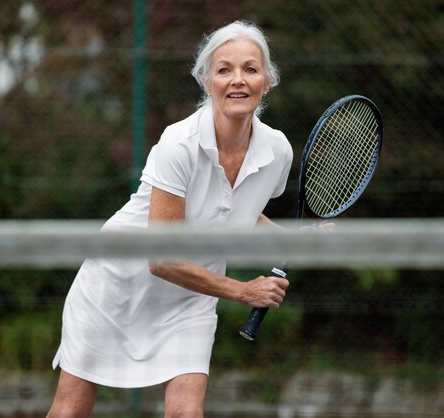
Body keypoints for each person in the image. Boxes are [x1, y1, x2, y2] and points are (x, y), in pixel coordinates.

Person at [47, 20, 293, 418]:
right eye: (224, 69)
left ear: (267, 81)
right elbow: (161, 260)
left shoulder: (277, 151)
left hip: (190, 301)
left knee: (185, 412)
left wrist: (292, 239)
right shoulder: (178, 145)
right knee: (70, 411)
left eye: (250, 69)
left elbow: (235, 209)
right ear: (206, 80)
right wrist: (245, 292)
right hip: (115, 286)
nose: (238, 80)